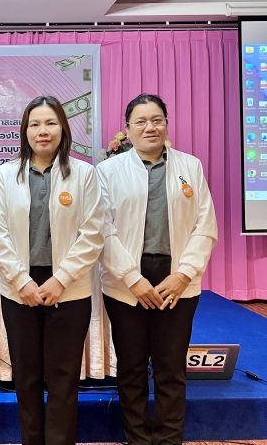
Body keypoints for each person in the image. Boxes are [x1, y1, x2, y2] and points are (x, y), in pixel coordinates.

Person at [97, 93, 218, 445]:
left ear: (166, 124)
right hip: (126, 284)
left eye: (157, 120)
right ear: (127, 129)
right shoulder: (108, 171)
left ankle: (168, 439)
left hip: (177, 281)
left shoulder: (190, 166)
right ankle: (137, 438)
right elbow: (102, 230)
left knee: (171, 369)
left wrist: (184, 275)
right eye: (141, 121)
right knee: (131, 368)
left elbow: (205, 225)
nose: (150, 127)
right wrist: (131, 279)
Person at [0, 95, 104, 445]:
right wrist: (20, 280)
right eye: (35, 124)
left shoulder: (83, 174)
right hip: (19, 290)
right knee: (27, 377)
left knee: (64, 378)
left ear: (63, 128)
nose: (43, 131)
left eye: (50, 123)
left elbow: (93, 233)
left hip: (69, 289)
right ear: (25, 131)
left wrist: (61, 279)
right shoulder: (6, 174)